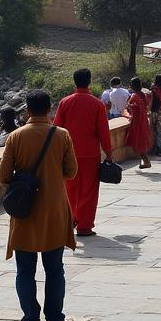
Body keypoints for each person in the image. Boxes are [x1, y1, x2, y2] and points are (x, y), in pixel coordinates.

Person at [0, 90, 77, 321]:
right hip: (53, 210)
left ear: (27, 111)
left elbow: (3, 176)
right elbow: (72, 171)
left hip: (25, 212)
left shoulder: (15, 137)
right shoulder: (62, 135)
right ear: (50, 109)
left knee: (25, 270)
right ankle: (55, 320)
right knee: (55, 268)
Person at [53, 68, 114, 237]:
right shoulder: (97, 104)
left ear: (75, 81)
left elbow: (57, 128)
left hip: (68, 153)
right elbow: (103, 131)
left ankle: (68, 220)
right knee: (89, 190)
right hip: (90, 154)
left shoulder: (65, 102)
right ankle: (84, 226)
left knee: (69, 188)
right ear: (89, 81)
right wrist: (108, 152)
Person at [123, 77, 152, 169]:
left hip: (137, 120)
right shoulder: (142, 94)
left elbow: (131, 108)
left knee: (139, 141)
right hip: (143, 119)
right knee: (141, 140)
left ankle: (146, 161)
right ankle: (145, 161)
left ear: (132, 86)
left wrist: (127, 111)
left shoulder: (134, 96)